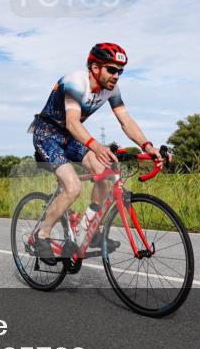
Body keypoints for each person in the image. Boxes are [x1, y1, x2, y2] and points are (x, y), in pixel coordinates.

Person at [29, 43, 163, 264]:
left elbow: (126, 121)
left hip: (71, 137)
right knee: (73, 187)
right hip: (48, 135)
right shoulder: (75, 82)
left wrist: (147, 146)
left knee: (107, 175)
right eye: (112, 69)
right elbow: (72, 122)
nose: (116, 75)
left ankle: (88, 229)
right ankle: (41, 235)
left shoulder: (111, 89)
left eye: (121, 71)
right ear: (94, 67)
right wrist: (97, 146)